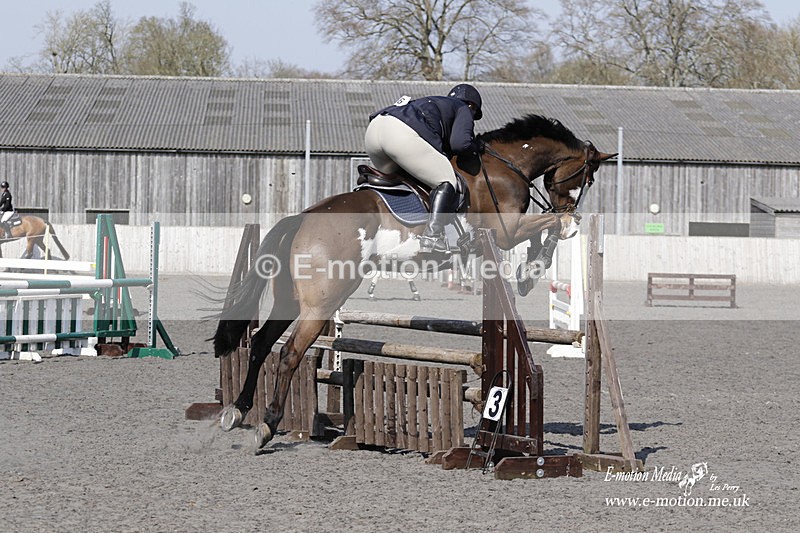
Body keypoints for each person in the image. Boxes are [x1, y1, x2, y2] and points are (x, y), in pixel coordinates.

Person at [365, 83, 483, 253]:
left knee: (409, 181)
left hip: (373, 131)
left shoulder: (432, 103)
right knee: (446, 180)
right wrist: (476, 148)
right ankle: (432, 237)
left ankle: (403, 228)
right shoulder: (463, 107)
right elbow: (460, 143)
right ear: (471, 105)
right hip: (398, 134)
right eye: (474, 114)